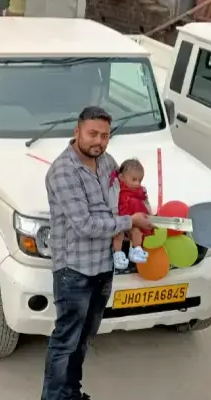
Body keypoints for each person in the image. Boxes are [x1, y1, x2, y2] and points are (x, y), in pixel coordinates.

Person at [42, 106, 156, 400]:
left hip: (103, 267)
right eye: (92, 134)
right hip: (74, 270)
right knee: (66, 341)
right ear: (77, 131)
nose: (99, 141)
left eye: (105, 136)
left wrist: (140, 212)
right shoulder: (63, 171)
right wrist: (130, 222)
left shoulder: (108, 163)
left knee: (83, 338)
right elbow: (85, 224)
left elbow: (120, 202)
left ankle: (72, 393)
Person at [110, 158, 153, 270]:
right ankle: (117, 254)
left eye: (140, 180)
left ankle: (136, 250)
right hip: (120, 219)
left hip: (135, 220)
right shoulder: (117, 188)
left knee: (137, 232)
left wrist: (149, 215)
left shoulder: (140, 192)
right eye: (134, 179)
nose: (137, 183)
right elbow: (112, 203)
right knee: (118, 235)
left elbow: (145, 204)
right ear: (121, 177)